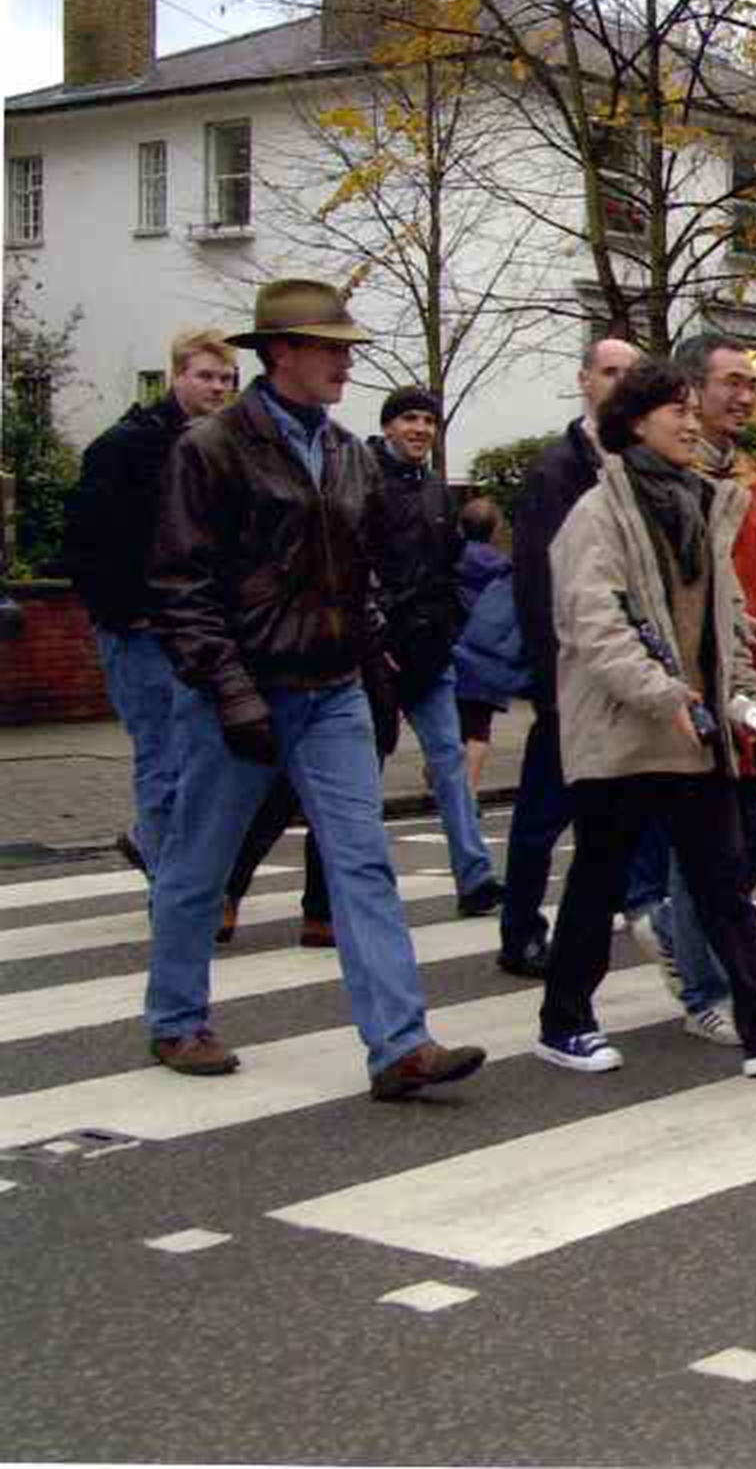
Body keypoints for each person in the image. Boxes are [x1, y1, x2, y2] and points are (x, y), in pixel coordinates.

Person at [144, 278, 486, 1100]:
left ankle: (400, 1044)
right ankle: (176, 1019)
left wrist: (371, 657)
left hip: (330, 686)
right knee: (200, 863)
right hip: (241, 690)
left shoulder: (342, 451)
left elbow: (360, 569)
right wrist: (230, 693)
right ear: (283, 353)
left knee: (362, 863)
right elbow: (181, 587)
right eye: (331, 347)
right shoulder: (212, 448)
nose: (345, 362)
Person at [533, 356, 756, 1079]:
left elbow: (722, 615)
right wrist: (666, 696)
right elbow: (593, 624)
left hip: (697, 731)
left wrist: (735, 694)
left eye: (694, 412)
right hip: (627, 729)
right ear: (638, 422)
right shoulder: (597, 515)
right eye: (678, 412)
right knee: (599, 882)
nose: (693, 424)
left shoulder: (702, 505)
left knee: (722, 881)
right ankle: (563, 1020)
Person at [616, 334, 756, 1045]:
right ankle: (703, 986)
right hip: (696, 686)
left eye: (752, 383)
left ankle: (677, 926)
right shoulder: (663, 478)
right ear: (691, 390)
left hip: (754, 684)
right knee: (712, 844)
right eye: (732, 381)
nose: (746, 395)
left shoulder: (751, 478)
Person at [63, 325, 239, 874]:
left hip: (199, 627)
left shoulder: (224, 446)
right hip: (140, 630)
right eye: (205, 376)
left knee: (205, 756)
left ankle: (153, 844)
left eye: (226, 379)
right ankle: (169, 884)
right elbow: (84, 542)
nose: (217, 388)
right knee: (163, 756)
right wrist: (123, 610)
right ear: (176, 376)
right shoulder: (125, 447)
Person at [498, 335, 642, 977]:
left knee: (614, 813)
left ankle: (616, 919)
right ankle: (520, 929)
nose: (618, 382)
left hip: (622, 666)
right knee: (543, 809)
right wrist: (550, 673)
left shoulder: (635, 459)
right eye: (608, 371)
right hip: (569, 669)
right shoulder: (558, 469)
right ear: (584, 380)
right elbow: (537, 578)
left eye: (630, 374)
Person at [364, 385, 503, 917]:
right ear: (388, 427)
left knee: (449, 761)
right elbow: (356, 566)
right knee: (360, 774)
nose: (420, 429)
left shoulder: (437, 494)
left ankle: (475, 878)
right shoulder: (366, 484)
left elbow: (449, 572)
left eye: (428, 420)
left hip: (429, 654)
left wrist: (449, 632)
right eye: (409, 419)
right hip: (378, 655)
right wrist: (375, 639)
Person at [452, 497, 520, 795]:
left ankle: (444, 778)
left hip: (451, 651)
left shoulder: (448, 561)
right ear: (495, 529)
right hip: (488, 656)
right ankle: (467, 791)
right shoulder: (505, 569)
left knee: (446, 725)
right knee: (478, 730)